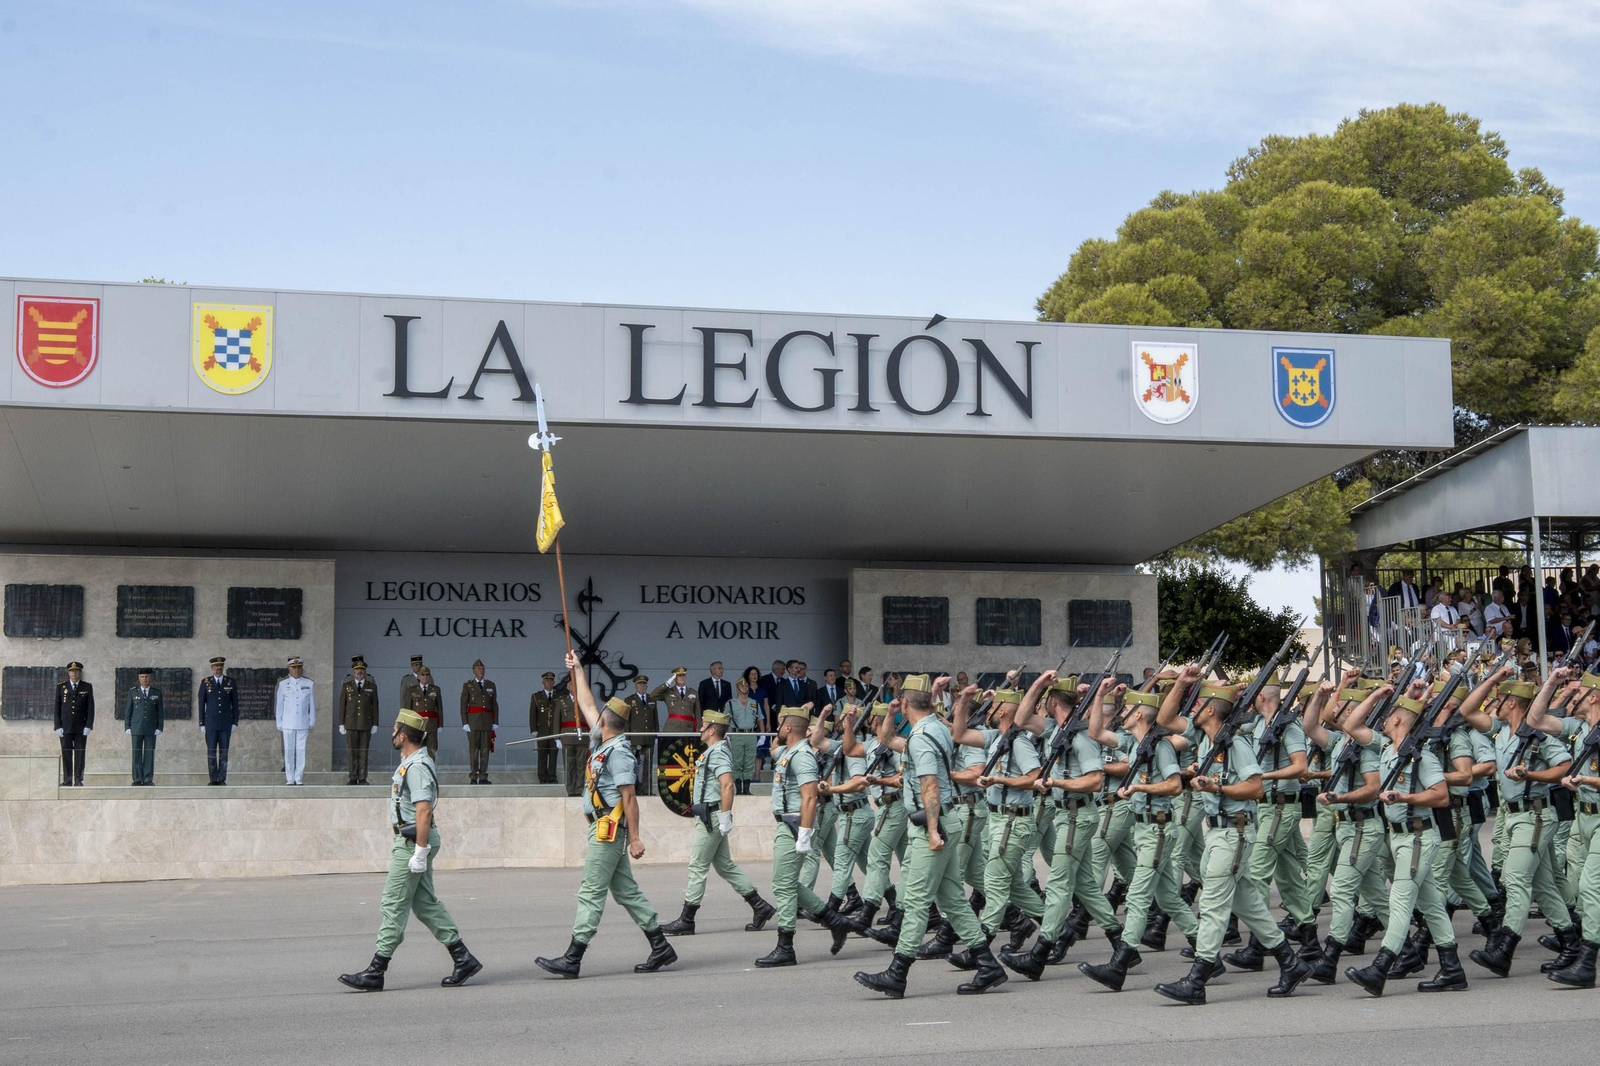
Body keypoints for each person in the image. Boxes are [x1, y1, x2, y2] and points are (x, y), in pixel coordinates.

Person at [1151, 674, 1309, 1004]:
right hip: (1218, 832)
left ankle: (1197, 980)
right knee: (1247, 902)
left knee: (1212, 905)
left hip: (1235, 832)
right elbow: (1164, 719)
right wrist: (1181, 682)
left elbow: (1254, 788)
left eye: (1197, 703)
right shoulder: (1204, 737)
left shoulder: (1235, 744)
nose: (1192, 707)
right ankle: (1290, 963)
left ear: (1210, 710)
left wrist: (1217, 788)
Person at [535, 650, 677, 979]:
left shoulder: (620, 752)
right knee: (626, 891)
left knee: (590, 891)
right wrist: (578, 670)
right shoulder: (604, 742)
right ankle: (660, 945)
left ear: (604, 722)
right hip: (603, 827)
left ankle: (574, 956)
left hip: (609, 830)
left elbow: (630, 796)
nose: (592, 716)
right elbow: (585, 702)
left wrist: (636, 838)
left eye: (597, 716)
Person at [854, 674, 998, 998]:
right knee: (952, 901)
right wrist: (890, 716)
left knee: (917, 902)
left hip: (931, 825)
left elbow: (929, 785)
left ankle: (897, 972)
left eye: (899, 705)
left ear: (905, 702)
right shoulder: (934, 729)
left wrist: (932, 831)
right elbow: (888, 740)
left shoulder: (921, 737)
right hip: (946, 818)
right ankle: (988, 965)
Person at [337, 708, 482, 992]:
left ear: (403, 735)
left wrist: (420, 850)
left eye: (394, 730)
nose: (392, 734)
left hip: (413, 841)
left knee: (393, 904)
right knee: (425, 904)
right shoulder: (413, 761)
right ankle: (462, 957)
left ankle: (376, 971)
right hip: (414, 839)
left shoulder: (416, 767)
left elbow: (424, 810)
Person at [755, 704, 864, 966]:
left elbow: (810, 796)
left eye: (781, 725)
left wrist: (803, 834)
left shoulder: (802, 755)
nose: (778, 728)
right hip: (787, 824)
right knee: (788, 882)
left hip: (794, 825)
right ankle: (834, 921)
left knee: (783, 884)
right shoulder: (790, 752)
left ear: (789, 727)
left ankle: (786, 946)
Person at [657, 707, 775, 937]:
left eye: (703, 725)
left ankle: (687, 919)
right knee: (725, 866)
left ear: (712, 730)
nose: (700, 729)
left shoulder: (718, 751)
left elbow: (727, 784)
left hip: (711, 816)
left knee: (697, 866)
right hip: (709, 815)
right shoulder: (712, 750)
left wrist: (725, 814)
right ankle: (760, 906)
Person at [198, 656, 238, 786]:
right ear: (212, 668)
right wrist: (201, 722)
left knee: (224, 753)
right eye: (216, 666)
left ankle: (222, 778)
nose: (218, 668)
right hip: (211, 724)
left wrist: (234, 721)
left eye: (220, 666)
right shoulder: (205, 682)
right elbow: (201, 704)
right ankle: (213, 778)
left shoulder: (230, 682)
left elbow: (235, 703)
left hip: (226, 723)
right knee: (211, 752)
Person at [340, 656, 380, 785]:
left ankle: (362, 777)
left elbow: (375, 706)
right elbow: (342, 705)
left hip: (365, 723)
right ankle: (352, 777)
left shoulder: (371, 686)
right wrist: (341, 723)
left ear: (365, 671)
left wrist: (375, 723)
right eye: (357, 670)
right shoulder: (346, 686)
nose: (359, 672)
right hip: (350, 723)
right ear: (353, 671)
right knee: (352, 752)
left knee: (363, 752)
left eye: (362, 669)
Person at [275, 657, 315, 786]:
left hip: (303, 722)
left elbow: (312, 705)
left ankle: (299, 777)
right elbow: (279, 705)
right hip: (288, 723)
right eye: (294, 668)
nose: (296, 670)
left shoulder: (309, 683)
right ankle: (290, 778)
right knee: (289, 751)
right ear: (288, 669)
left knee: (301, 751)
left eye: (299, 667)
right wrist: (279, 722)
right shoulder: (283, 684)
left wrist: (312, 720)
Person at [54, 661, 94, 787]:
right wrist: (57, 726)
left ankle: (78, 779)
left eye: (76, 671)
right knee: (66, 753)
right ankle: (67, 779)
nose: (74, 673)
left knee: (80, 753)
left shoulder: (87, 687)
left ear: (80, 672)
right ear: (68, 672)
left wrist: (88, 725)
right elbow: (57, 708)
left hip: (80, 727)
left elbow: (90, 707)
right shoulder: (61, 687)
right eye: (72, 671)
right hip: (65, 726)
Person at [459, 659, 498, 785]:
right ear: (474, 671)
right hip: (473, 722)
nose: (481, 671)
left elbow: (494, 704)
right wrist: (465, 722)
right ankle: (473, 776)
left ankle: (483, 776)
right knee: (474, 750)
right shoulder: (468, 685)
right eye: (479, 669)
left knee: (485, 750)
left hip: (486, 721)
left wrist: (495, 721)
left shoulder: (491, 685)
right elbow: (463, 704)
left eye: (483, 669)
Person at [123, 668, 163, 786]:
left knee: (149, 754)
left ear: (150, 678)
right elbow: (128, 711)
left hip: (151, 728)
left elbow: (160, 712)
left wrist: (159, 727)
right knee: (136, 754)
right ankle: (137, 778)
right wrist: (127, 726)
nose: (144, 679)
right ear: (138, 678)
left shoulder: (157, 692)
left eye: (146, 676)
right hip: (136, 727)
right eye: (142, 677)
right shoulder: (133, 692)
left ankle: (147, 779)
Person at [530, 671, 566, 785]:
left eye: (551, 681)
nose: (549, 683)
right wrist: (533, 729)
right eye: (547, 681)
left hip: (555, 731)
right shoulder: (536, 696)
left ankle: (552, 776)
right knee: (542, 754)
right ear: (543, 682)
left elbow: (562, 714)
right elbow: (532, 714)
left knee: (553, 754)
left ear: (554, 682)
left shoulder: (560, 696)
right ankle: (542, 777)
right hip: (542, 730)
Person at [726, 675, 761, 794]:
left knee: (749, 762)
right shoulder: (731, 703)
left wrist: (762, 735)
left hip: (751, 735)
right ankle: (738, 789)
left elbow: (760, 719)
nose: (745, 688)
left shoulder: (754, 703)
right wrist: (724, 736)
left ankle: (746, 789)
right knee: (737, 761)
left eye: (746, 685)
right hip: (737, 735)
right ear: (737, 689)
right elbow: (725, 720)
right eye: (742, 686)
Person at [624, 676, 657, 796]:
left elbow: (655, 719)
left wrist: (655, 735)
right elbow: (627, 721)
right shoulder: (629, 700)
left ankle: (647, 790)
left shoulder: (652, 699)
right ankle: (635, 790)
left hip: (648, 738)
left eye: (644, 684)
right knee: (634, 766)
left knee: (648, 765)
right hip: (635, 738)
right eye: (640, 684)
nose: (642, 686)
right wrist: (627, 738)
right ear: (635, 686)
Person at [401, 666, 444, 759]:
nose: (425, 677)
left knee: (431, 750)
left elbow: (439, 708)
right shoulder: (411, 690)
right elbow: (408, 709)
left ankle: (430, 771)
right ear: (418, 677)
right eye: (423, 675)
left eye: (427, 675)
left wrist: (440, 725)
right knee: (417, 751)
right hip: (417, 726)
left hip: (431, 725)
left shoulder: (435, 689)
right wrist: (407, 726)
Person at [650, 667, 701, 740]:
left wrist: (698, 729)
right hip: (672, 728)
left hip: (688, 728)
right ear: (674, 678)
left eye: (683, 675)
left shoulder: (693, 692)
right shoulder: (668, 692)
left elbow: (697, 713)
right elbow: (652, 695)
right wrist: (667, 683)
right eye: (679, 675)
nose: (681, 677)